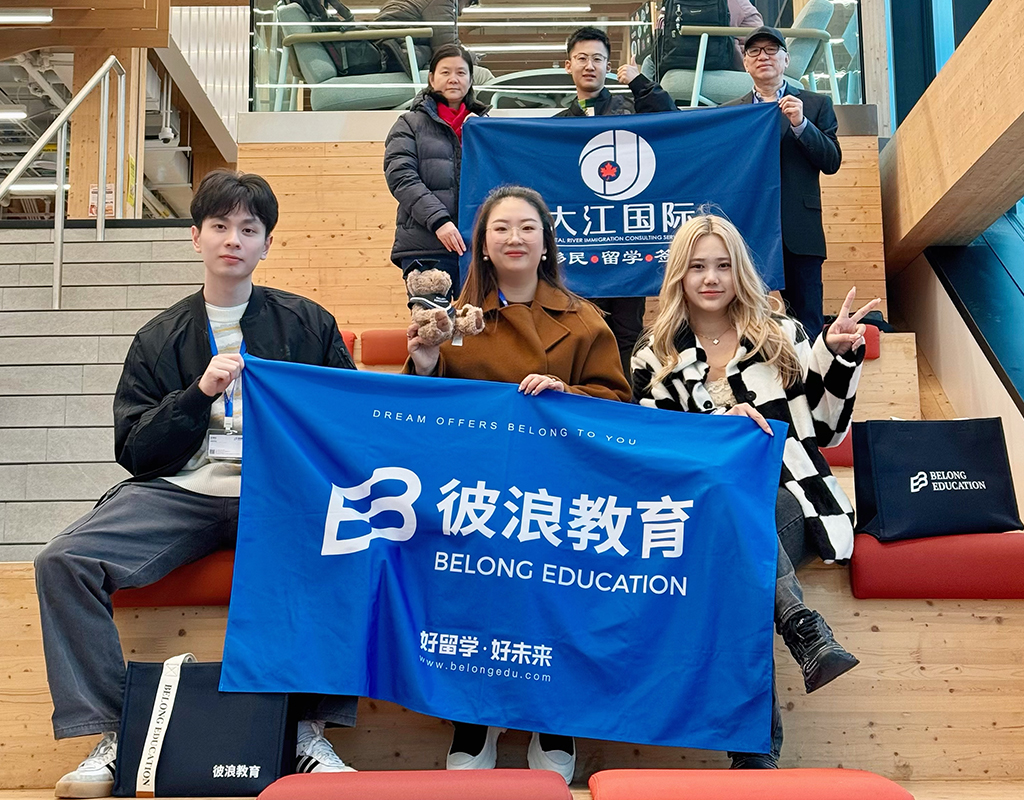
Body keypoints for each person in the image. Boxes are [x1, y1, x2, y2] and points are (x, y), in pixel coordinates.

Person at [34, 170, 361, 798]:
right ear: (195, 237)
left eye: (248, 229)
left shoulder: (306, 322)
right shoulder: (160, 337)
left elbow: (345, 417)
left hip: (280, 496)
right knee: (63, 561)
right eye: (219, 226)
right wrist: (198, 393)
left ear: (266, 243)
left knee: (352, 547)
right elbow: (135, 450)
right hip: (184, 493)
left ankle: (308, 733)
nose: (233, 240)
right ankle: (114, 734)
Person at [631, 213, 877, 768]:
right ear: (678, 274)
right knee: (734, 556)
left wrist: (837, 354)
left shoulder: (781, 333)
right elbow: (657, 457)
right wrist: (722, 431)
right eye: (697, 266)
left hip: (795, 498)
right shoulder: (654, 356)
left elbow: (828, 429)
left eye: (722, 265)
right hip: (702, 519)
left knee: (739, 544)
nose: (710, 278)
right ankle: (803, 631)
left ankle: (753, 755)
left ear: (740, 270)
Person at [405, 185, 631, 783]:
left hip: (560, 492)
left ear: (546, 242)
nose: (514, 238)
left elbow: (618, 405)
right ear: (482, 244)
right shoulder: (454, 318)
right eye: (500, 228)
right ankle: (472, 715)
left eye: (527, 227)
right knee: (464, 579)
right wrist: (424, 359)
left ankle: (551, 713)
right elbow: (423, 413)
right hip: (475, 491)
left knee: (555, 581)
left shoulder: (585, 319)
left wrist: (567, 394)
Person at [555, 26, 676, 384]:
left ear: (608, 66)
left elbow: (671, 117)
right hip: (582, 252)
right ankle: (589, 400)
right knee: (582, 333)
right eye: (581, 58)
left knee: (627, 335)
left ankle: (627, 403)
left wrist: (639, 82)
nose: (589, 65)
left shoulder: (632, 110)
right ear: (568, 65)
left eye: (597, 59)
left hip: (627, 249)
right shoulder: (556, 127)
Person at [725, 25, 842, 337]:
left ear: (786, 60)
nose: (762, 56)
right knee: (743, 324)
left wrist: (801, 124)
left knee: (807, 324)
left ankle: (810, 371)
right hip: (747, 231)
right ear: (745, 63)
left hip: (799, 231)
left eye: (771, 50)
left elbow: (831, 161)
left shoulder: (815, 105)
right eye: (754, 51)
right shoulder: (729, 113)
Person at [384, 43, 488, 298]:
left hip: (477, 248)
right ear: (431, 79)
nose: (453, 79)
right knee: (433, 320)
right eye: (445, 72)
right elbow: (401, 177)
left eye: (461, 73)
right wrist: (439, 221)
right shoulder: (409, 124)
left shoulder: (484, 127)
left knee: (479, 321)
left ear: (470, 80)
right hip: (426, 246)